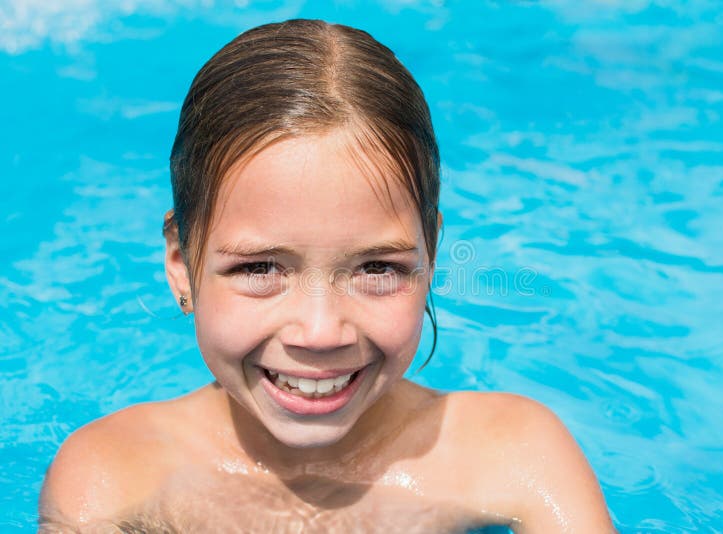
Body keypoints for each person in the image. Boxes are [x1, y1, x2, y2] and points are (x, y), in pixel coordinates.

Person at [38, 19, 614, 533]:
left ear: (431, 254)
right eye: (260, 268)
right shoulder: (114, 478)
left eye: (377, 268)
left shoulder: (511, 456)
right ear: (181, 266)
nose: (319, 333)